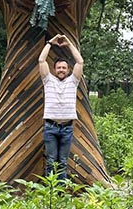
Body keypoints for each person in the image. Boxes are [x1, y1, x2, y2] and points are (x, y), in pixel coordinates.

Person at [38, 33, 83, 180]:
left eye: (64, 67)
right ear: (54, 69)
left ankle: (60, 194)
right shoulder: (48, 80)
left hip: (67, 127)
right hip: (51, 127)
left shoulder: (73, 81)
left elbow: (80, 62)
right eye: (59, 67)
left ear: (68, 70)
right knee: (51, 161)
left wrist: (69, 44)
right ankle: (51, 193)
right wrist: (50, 43)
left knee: (63, 162)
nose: (61, 70)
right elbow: (41, 59)